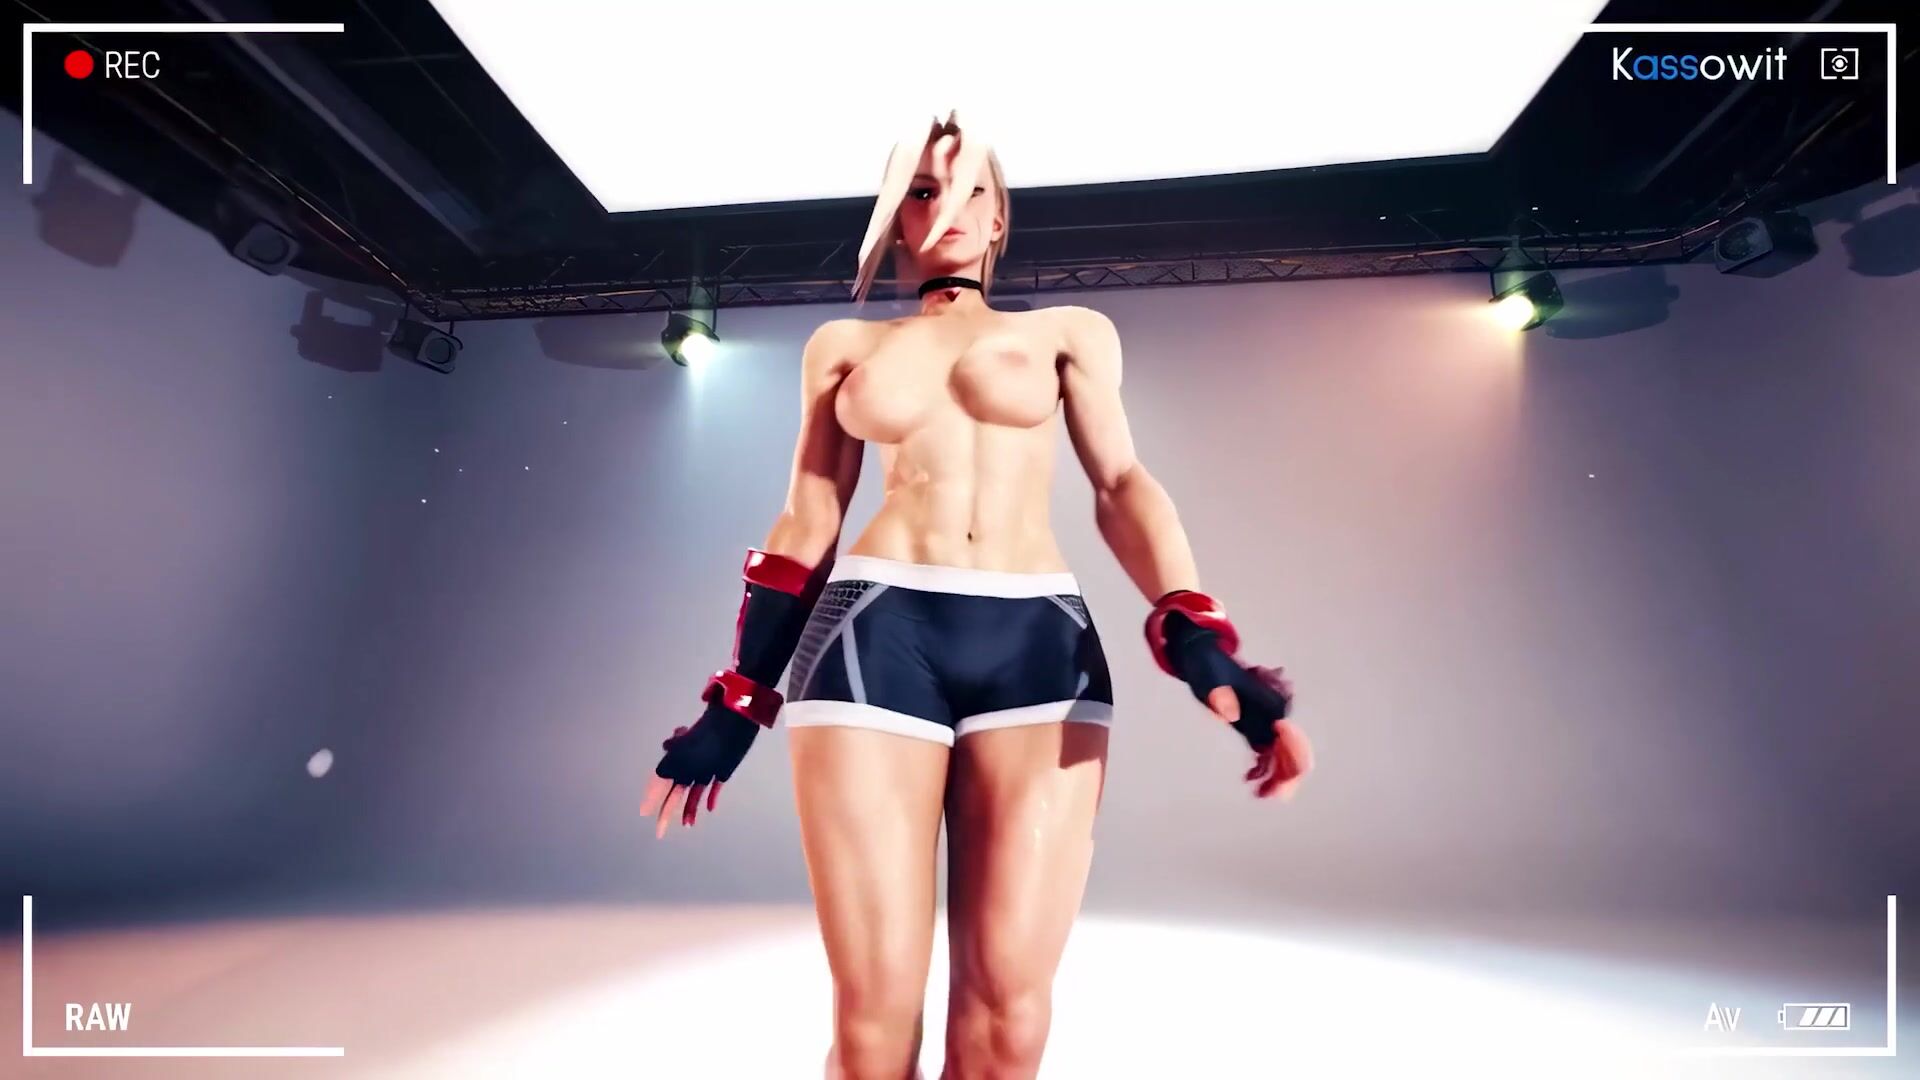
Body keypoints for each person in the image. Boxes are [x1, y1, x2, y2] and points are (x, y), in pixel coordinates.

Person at [641, 112, 1313, 1080]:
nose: (946, 206)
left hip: (1038, 640)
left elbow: (1123, 484)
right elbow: (808, 516)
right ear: (897, 218)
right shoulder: (843, 344)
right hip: (873, 635)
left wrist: (1199, 637)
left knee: (1006, 1019)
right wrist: (738, 699)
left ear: (1000, 217)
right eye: (922, 190)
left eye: (969, 189)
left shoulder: (1069, 333)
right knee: (872, 1023)